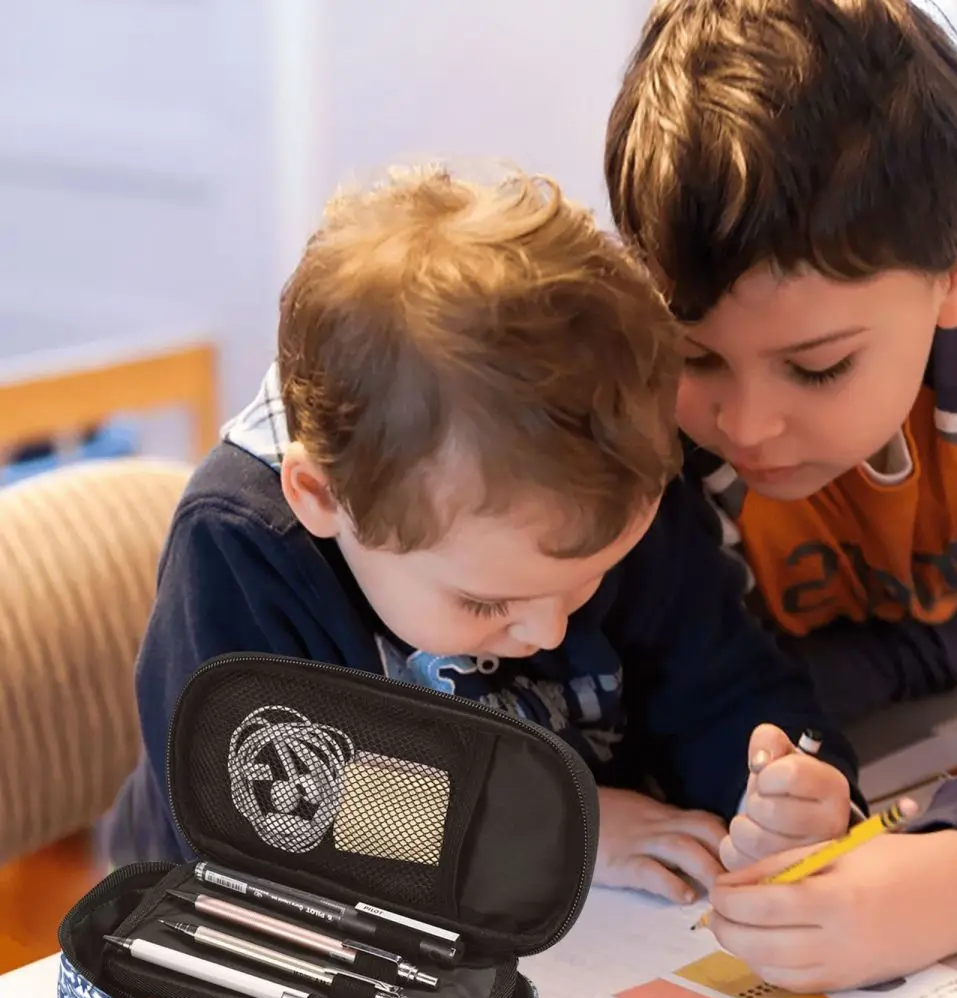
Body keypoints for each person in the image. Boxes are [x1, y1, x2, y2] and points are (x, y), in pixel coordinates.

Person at [99, 165, 864, 906]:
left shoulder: (606, 486)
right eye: (485, 603)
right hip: (219, 937)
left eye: (587, 581)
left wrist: (782, 791)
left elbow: (720, 684)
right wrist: (561, 831)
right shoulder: (243, 547)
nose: (550, 625)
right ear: (323, 498)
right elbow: (257, 799)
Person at [604, 0, 957, 989]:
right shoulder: (633, 398)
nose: (745, 425)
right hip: (835, 724)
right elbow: (671, 697)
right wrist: (779, 784)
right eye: (694, 355)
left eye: (817, 369)